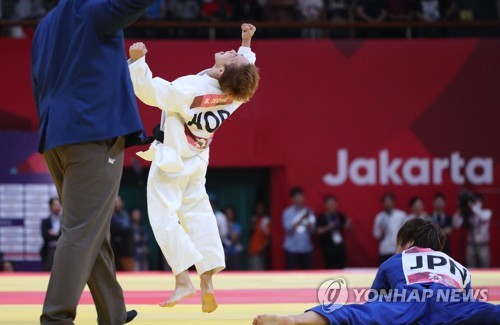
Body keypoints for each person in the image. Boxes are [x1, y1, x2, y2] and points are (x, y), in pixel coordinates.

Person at [31, 0, 154, 319]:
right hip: (91, 134)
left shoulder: (45, 26)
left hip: (56, 136)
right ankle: (56, 317)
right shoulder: (87, 9)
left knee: (91, 231)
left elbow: (38, 84)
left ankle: (113, 313)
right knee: (81, 231)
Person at [128, 24, 259, 313]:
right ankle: (207, 279)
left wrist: (138, 62)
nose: (230, 51)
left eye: (232, 55)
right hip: (197, 160)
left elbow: (153, 93)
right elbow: (246, 66)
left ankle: (182, 279)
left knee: (163, 217)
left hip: (173, 158)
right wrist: (246, 42)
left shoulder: (192, 88)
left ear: (224, 71)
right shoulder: (236, 94)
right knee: (199, 214)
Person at [253, 218, 500, 325]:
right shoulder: (459, 268)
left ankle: (294, 321)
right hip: (450, 303)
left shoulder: (397, 260)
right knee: (489, 312)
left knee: (346, 312)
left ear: (408, 243)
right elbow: (465, 305)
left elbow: (376, 304)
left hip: (407, 302)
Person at [454, 192, 492, 268]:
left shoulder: (487, 212)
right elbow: (456, 224)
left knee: (485, 268)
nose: (476, 204)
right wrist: (461, 208)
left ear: (481, 202)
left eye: (478, 202)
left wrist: (473, 207)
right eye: (475, 202)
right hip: (471, 245)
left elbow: (483, 217)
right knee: (471, 268)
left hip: (483, 245)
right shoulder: (469, 215)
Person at [282, 187, 316, 270]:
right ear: (292, 199)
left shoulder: (309, 211)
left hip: (306, 247)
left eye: (301, 196)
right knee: (290, 273)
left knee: (307, 273)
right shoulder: (287, 212)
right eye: (296, 197)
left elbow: (313, 230)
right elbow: (287, 228)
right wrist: (300, 218)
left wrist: (309, 224)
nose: (299, 199)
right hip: (291, 248)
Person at [315, 196, 351, 269]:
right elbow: (318, 231)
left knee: (342, 265)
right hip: (328, 245)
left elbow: (345, 227)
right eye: (329, 204)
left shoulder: (339, 215)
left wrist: (348, 224)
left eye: (333, 203)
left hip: (339, 244)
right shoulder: (322, 217)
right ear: (325, 205)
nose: (332, 206)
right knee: (330, 266)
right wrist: (328, 227)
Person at [373, 193, 407, 265]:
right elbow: (376, 234)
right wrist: (382, 231)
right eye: (385, 202)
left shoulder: (401, 215)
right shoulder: (380, 217)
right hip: (385, 249)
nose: (387, 203)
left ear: (393, 202)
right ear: (383, 203)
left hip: (398, 249)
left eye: (389, 201)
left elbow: (406, 232)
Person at [110, 196, 136, 271]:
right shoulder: (109, 216)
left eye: (118, 201)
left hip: (126, 253)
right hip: (113, 252)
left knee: (129, 276)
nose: (116, 204)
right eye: (115, 202)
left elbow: (125, 227)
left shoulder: (125, 215)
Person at [40, 197, 62, 271]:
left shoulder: (65, 221)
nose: (57, 207)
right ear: (50, 206)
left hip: (62, 250)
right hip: (48, 250)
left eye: (58, 205)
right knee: (48, 270)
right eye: (55, 205)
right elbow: (44, 234)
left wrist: (52, 233)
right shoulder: (45, 221)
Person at [248, 202, 271, 270]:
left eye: (261, 208)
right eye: (257, 208)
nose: (259, 210)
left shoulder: (266, 220)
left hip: (260, 251)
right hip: (251, 250)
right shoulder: (253, 219)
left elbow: (268, 237)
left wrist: (262, 248)